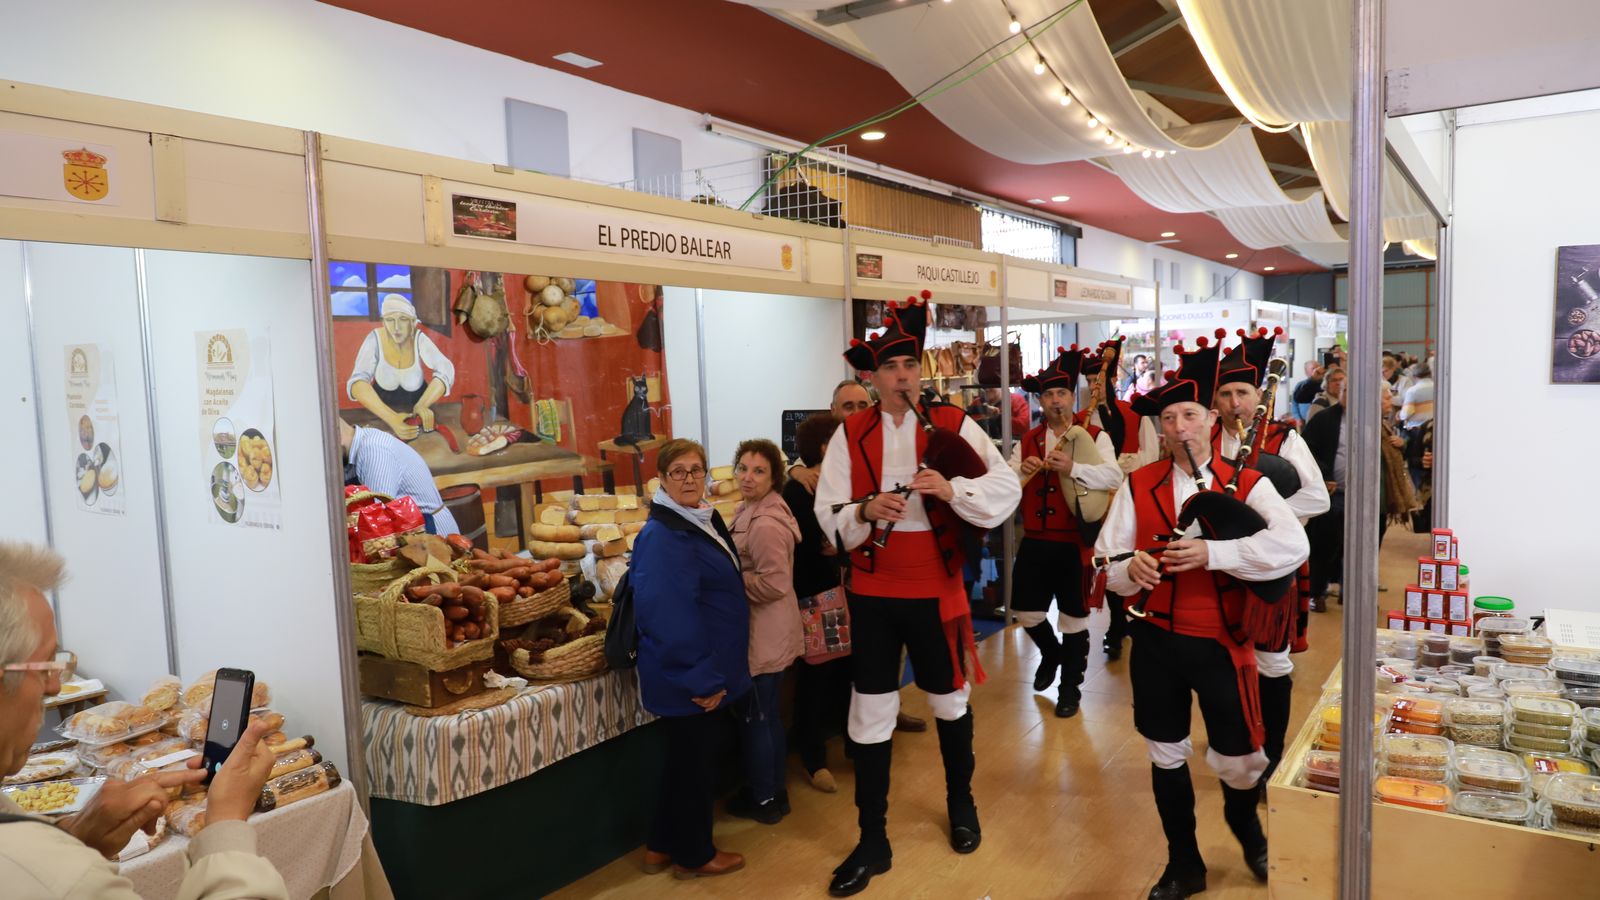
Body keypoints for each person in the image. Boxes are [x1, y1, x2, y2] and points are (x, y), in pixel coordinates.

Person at [815, 292, 1020, 897]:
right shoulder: (849, 433)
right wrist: (863, 508)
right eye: (890, 370)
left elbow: (1002, 488)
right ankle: (872, 839)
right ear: (871, 377)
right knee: (872, 709)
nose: (902, 378)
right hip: (875, 592)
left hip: (938, 591)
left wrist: (952, 489)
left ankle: (962, 805)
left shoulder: (955, 424)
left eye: (909, 367)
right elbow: (827, 514)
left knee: (950, 702)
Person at [1092, 330, 1308, 900]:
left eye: (1190, 414)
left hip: (1221, 644)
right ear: (1160, 428)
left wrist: (1216, 553)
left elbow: (1292, 548)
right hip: (1156, 641)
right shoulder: (1137, 485)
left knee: (1240, 761)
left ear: (1211, 419)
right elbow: (1104, 561)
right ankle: (1183, 863)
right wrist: (1126, 572)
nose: (1180, 427)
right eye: (1169, 418)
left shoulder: (1250, 484)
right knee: (1165, 751)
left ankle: (1245, 826)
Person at [0, 542, 289, 900]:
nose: (55, 685)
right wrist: (226, 823)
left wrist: (75, 840)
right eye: (45, 665)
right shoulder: (54, 876)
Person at [1210, 328, 1329, 792]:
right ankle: (1237, 748)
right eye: (1225, 393)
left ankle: (1273, 757)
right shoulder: (1203, 438)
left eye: (1243, 391)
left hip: (1271, 565)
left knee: (1271, 662)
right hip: (1219, 565)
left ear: (1259, 394)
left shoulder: (1284, 438)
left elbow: (1316, 497)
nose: (1235, 401)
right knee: (1222, 657)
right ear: (1215, 400)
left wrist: (1265, 520)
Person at [633, 439, 751, 880]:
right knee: (695, 768)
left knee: (683, 761)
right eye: (678, 471)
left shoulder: (695, 519)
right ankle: (695, 853)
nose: (688, 478)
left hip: (699, 668)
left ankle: (660, 845)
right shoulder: (667, 535)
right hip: (690, 676)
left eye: (695, 470)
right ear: (661, 479)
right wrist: (702, 679)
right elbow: (669, 616)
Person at [789, 383, 927, 736]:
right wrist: (795, 470)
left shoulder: (883, 449)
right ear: (832, 409)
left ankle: (888, 712)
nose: (854, 411)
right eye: (847, 405)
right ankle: (855, 726)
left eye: (862, 404)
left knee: (890, 652)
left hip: (888, 569)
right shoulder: (818, 459)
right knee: (854, 657)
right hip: (840, 582)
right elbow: (782, 466)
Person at [1009, 345, 1123, 717]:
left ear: (1072, 397)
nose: (1055, 400)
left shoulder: (1093, 434)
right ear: (1039, 400)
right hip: (1035, 541)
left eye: (1061, 393)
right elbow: (1007, 484)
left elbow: (1113, 476)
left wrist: (1073, 467)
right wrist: (1022, 471)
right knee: (1026, 611)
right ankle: (1051, 654)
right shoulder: (1027, 439)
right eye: (1048, 394)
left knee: (1073, 619)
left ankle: (1070, 690)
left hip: (1074, 542)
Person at [727, 438, 804, 825]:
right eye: (742, 468)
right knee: (768, 715)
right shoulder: (752, 510)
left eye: (758, 471)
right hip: (769, 631)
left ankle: (764, 800)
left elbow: (775, 583)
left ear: (774, 477)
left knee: (758, 717)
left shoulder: (765, 523)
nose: (747, 477)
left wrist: (730, 581)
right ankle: (775, 793)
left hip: (765, 631)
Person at [784, 413, 854, 794]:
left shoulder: (836, 481)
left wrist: (840, 544)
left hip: (840, 592)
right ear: (826, 447)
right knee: (816, 676)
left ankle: (850, 745)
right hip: (815, 596)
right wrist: (841, 545)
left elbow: (837, 540)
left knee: (844, 672)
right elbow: (818, 544)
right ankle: (813, 758)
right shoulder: (800, 489)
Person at [1079, 338, 1160, 659]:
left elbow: (1151, 456)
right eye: (1088, 381)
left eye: (1098, 380)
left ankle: (1132, 617)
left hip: (1132, 497)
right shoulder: (1081, 419)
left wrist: (1133, 480)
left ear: (1112, 380)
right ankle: (1115, 624)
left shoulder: (1133, 412)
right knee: (1107, 561)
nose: (1093, 386)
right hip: (1096, 501)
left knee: (1133, 557)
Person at [345, 294, 455, 441]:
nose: (396, 327)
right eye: (390, 320)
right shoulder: (374, 339)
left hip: (419, 419)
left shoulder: (419, 338)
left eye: (403, 319)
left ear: (412, 322)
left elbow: (446, 368)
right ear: (383, 322)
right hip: (381, 419)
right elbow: (357, 382)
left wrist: (422, 405)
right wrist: (392, 419)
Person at [339, 417, 459, 535]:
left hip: (430, 534)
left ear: (337, 438)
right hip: (406, 534)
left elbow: (377, 517)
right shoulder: (351, 453)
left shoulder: (373, 449)